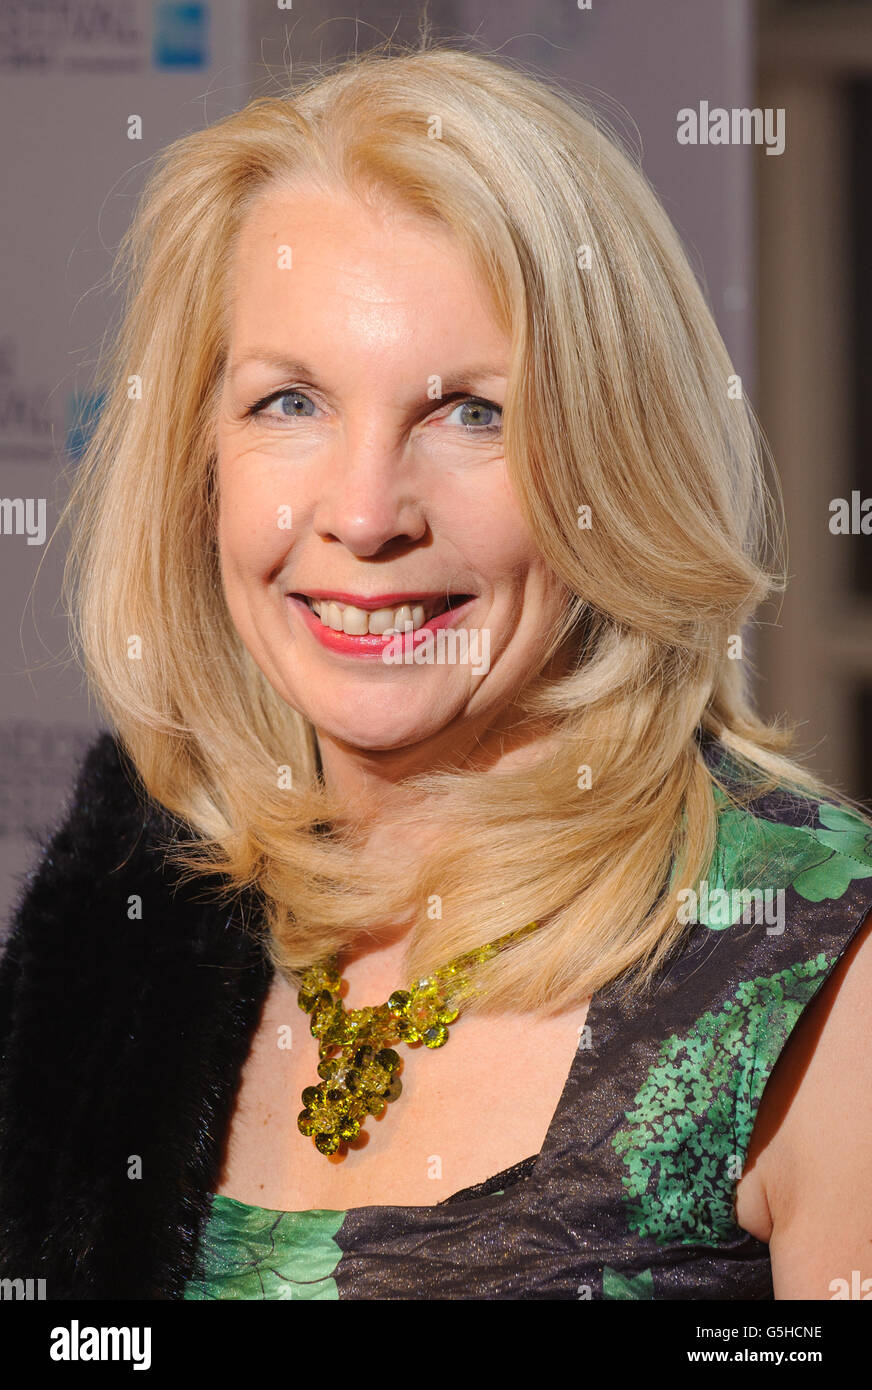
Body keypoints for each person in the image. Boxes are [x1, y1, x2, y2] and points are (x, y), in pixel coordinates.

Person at [1, 41, 870, 1302]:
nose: (363, 515)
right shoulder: (132, 894)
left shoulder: (818, 965)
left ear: (608, 459)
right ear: (199, 466)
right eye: (288, 402)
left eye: (471, 412)